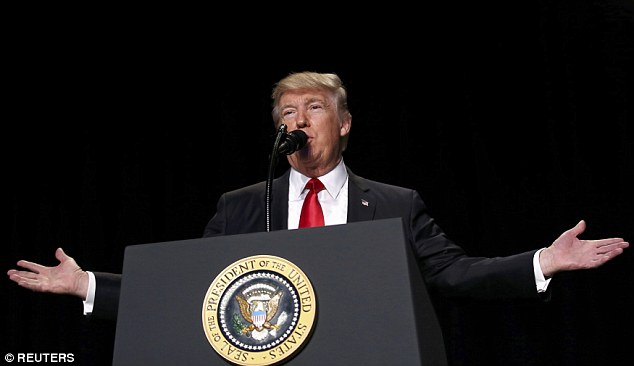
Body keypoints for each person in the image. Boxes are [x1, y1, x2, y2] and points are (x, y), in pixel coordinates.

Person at [7, 71, 629, 323]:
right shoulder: (243, 205)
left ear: (344, 122)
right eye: (286, 110)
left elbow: (455, 273)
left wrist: (542, 262)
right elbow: (188, 284)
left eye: (312, 108)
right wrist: (88, 284)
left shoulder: (394, 204)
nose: (297, 118)